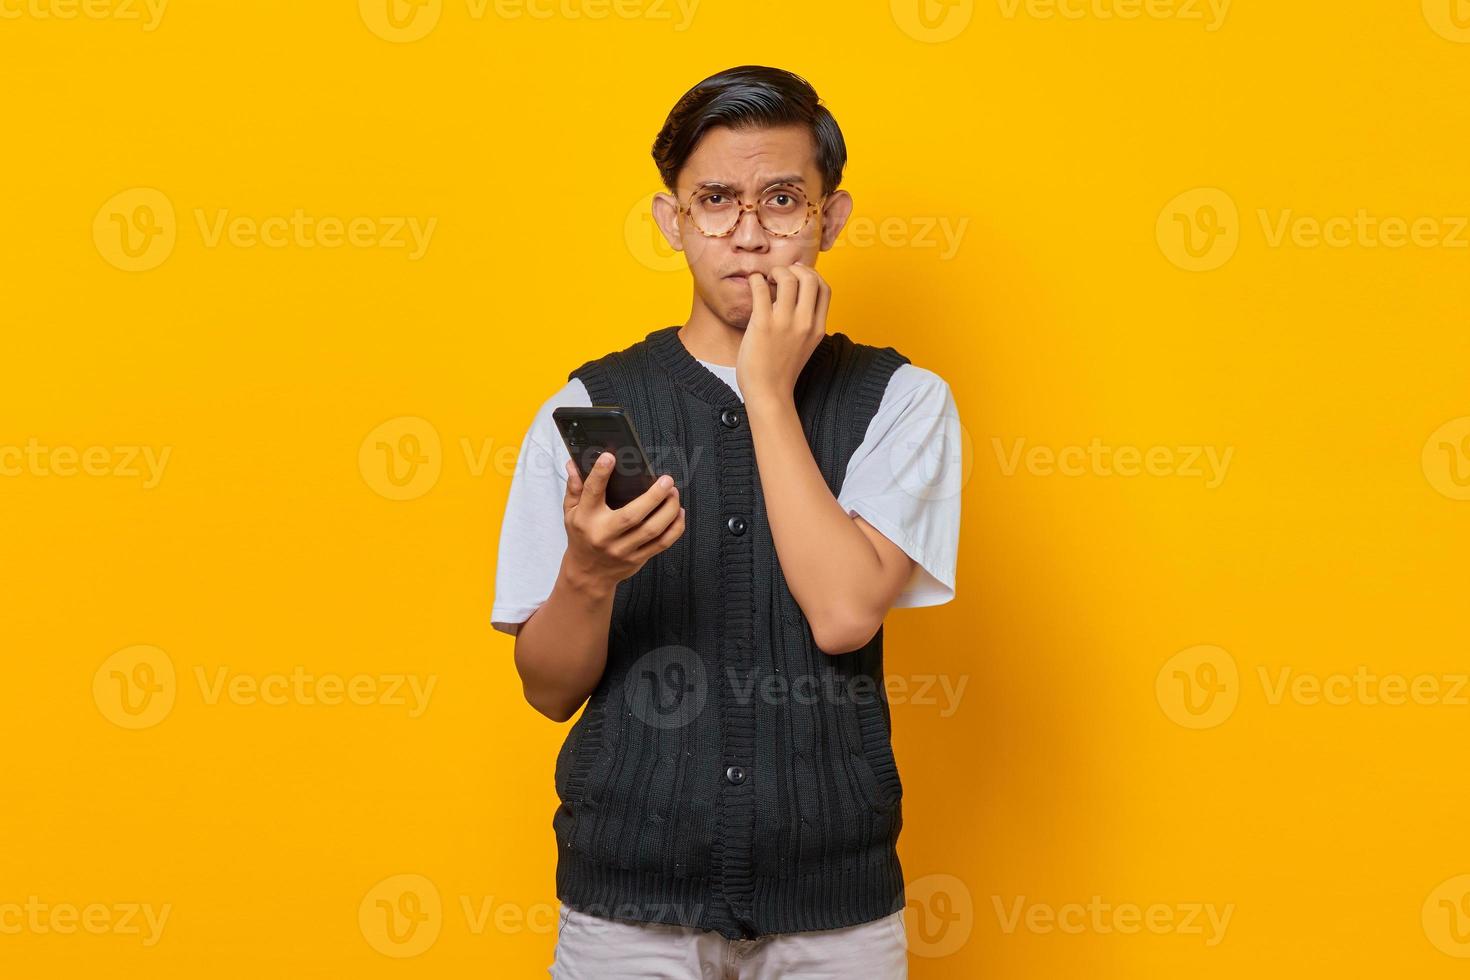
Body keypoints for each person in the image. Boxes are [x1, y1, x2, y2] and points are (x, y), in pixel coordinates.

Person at [491, 64, 963, 980]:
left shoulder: (903, 401)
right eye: (715, 201)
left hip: (834, 908)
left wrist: (767, 392)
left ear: (831, 217)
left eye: (782, 199)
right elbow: (547, 692)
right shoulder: (590, 403)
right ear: (673, 221)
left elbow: (842, 614)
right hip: (625, 905)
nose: (748, 236)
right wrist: (587, 578)